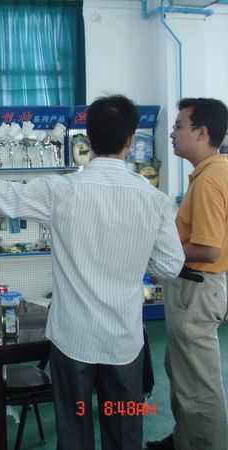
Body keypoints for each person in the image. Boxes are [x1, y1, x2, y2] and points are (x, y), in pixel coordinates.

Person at [0, 95, 185, 450]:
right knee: (125, 428)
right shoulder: (155, 200)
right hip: (124, 342)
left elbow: (1, 194)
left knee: (75, 424)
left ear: (88, 138)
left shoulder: (61, 190)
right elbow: (171, 265)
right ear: (130, 140)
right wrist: (136, 258)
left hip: (72, 338)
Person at [146, 98, 228, 450]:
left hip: (196, 290)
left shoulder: (209, 181)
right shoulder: (214, 172)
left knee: (199, 385)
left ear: (202, 132)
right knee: (182, 372)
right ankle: (184, 439)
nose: (172, 134)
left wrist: (159, 254)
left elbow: (208, 249)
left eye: (179, 126)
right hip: (196, 289)